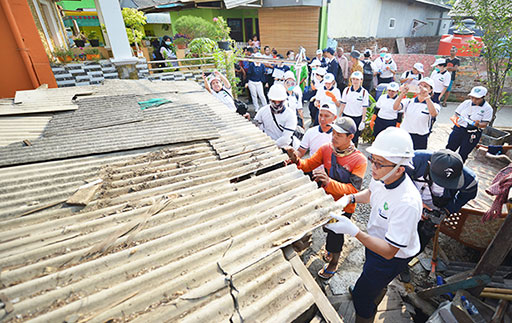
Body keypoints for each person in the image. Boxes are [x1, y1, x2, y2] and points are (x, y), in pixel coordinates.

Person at [325, 127, 421, 323]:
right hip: (376, 243)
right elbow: (371, 193)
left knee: (362, 297)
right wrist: (350, 197)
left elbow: (388, 252)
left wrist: (354, 231)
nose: (373, 168)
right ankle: (372, 289)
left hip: (390, 257)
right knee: (370, 278)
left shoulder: (406, 202)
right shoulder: (383, 177)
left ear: (400, 168)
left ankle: (365, 306)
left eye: (379, 163)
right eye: (373, 161)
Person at [285, 117, 367, 279]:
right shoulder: (326, 149)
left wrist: (329, 183)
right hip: (327, 199)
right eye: (333, 132)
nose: (333, 136)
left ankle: (334, 262)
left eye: (339, 135)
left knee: (336, 234)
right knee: (328, 228)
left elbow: (353, 190)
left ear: (351, 137)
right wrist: (296, 160)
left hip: (344, 206)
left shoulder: (359, 160)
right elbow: (307, 165)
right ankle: (330, 251)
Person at [398, 149, 478, 282]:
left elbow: (468, 193)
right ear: (429, 165)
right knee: (398, 233)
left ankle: (402, 263)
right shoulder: (414, 161)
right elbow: (398, 180)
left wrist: (446, 211)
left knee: (421, 241)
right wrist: (418, 205)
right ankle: (387, 257)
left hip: (434, 210)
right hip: (408, 203)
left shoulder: (468, 179)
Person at [446, 86, 493, 162]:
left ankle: (457, 169)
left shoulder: (487, 108)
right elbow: (456, 114)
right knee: (449, 150)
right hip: (459, 129)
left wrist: (477, 124)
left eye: (477, 98)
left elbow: (484, 124)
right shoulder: (466, 103)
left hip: (472, 132)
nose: (474, 100)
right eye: (472, 97)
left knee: (463, 154)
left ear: (483, 97)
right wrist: (454, 119)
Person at [394, 78, 440, 150]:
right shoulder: (409, 102)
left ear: (430, 90)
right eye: (420, 85)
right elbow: (395, 107)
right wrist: (402, 94)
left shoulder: (434, 105)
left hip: (420, 137)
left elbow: (433, 114)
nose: (422, 88)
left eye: (425, 86)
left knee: (417, 158)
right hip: (405, 134)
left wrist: (426, 97)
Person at [254, 84, 298, 148]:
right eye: (274, 101)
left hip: (285, 147)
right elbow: (256, 128)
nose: (277, 104)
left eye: (279, 101)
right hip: (267, 144)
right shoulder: (262, 111)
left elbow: (286, 138)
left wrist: (271, 146)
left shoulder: (290, 114)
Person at [339, 71, 369, 146]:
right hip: (346, 116)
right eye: (354, 79)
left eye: (357, 79)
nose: (355, 81)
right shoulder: (346, 90)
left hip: (357, 118)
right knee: (344, 135)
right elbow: (343, 104)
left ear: (361, 80)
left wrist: (363, 121)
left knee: (354, 138)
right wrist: (339, 115)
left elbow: (364, 108)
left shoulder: (364, 92)